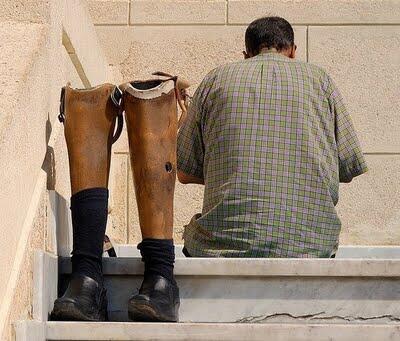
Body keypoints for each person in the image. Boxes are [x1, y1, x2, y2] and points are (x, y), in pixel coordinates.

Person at [177, 16, 368, 258]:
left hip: (223, 246)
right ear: (293, 52)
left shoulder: (216, 79)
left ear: (246, 55)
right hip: (311, 246)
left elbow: (183, 173)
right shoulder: (321, 81)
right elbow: (346, 170)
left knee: (198, 234)